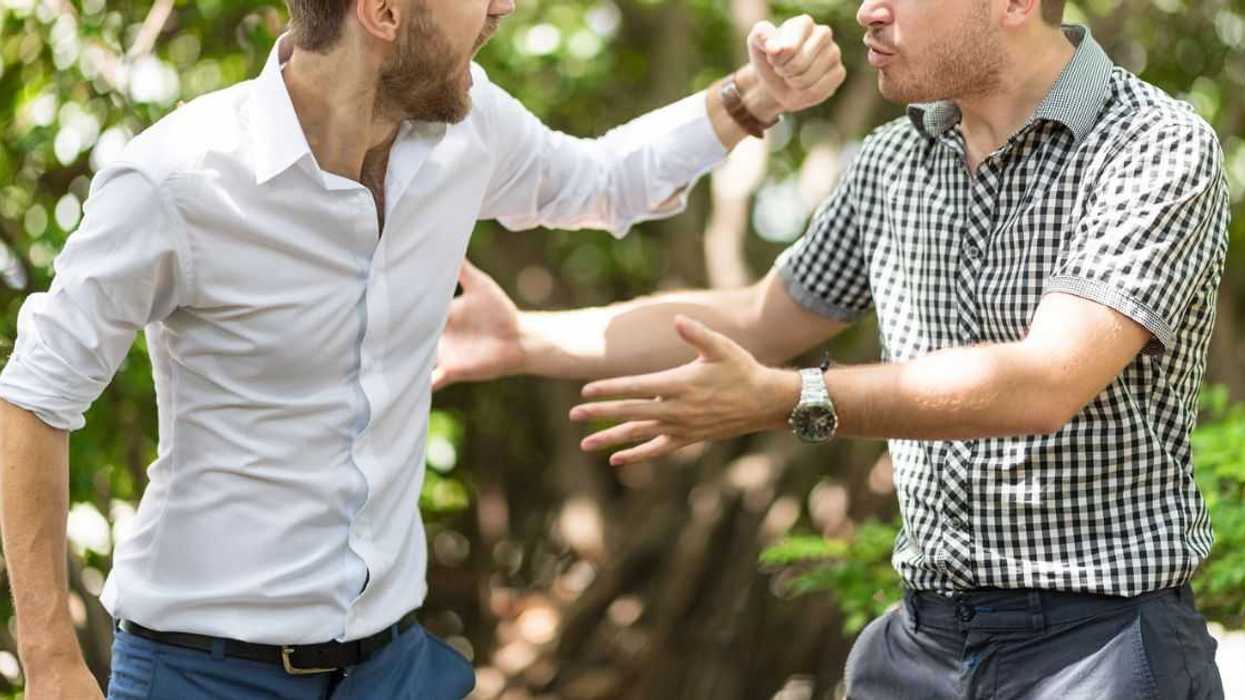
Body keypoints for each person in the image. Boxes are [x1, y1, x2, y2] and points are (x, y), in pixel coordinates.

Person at [0, 0, 847, 695]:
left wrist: (754, 95)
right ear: (384, 13)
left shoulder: (464, 128)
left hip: (393, 664)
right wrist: (49, 663)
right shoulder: (176, 180)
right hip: (203, 667)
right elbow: (37, 394)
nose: (500, 10)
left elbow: (601, 181)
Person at [433, 0, 1230, 697]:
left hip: (1098, 654)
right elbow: (759, 319)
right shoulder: (893, 160)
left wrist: (794, 399)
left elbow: (1044, 382)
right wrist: (525, 337)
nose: (866, 12)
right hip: (916, 649)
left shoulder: (1150, 145)